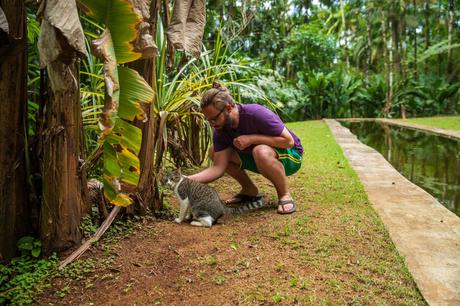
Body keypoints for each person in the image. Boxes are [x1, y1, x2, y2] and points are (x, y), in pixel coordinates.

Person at [187, 82, 303, 214]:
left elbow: (288, 141)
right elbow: (218, 168)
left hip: (291, 156)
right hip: (258, 158)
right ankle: (249, 190)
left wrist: (252, 139)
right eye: (209, 120)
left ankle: (284, 194)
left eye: (214, 119)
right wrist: (186, 180)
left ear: (228, 108)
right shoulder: (221, 129)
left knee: (260, 150)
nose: (212, 124)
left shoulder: (256, 113)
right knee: (214, 151)